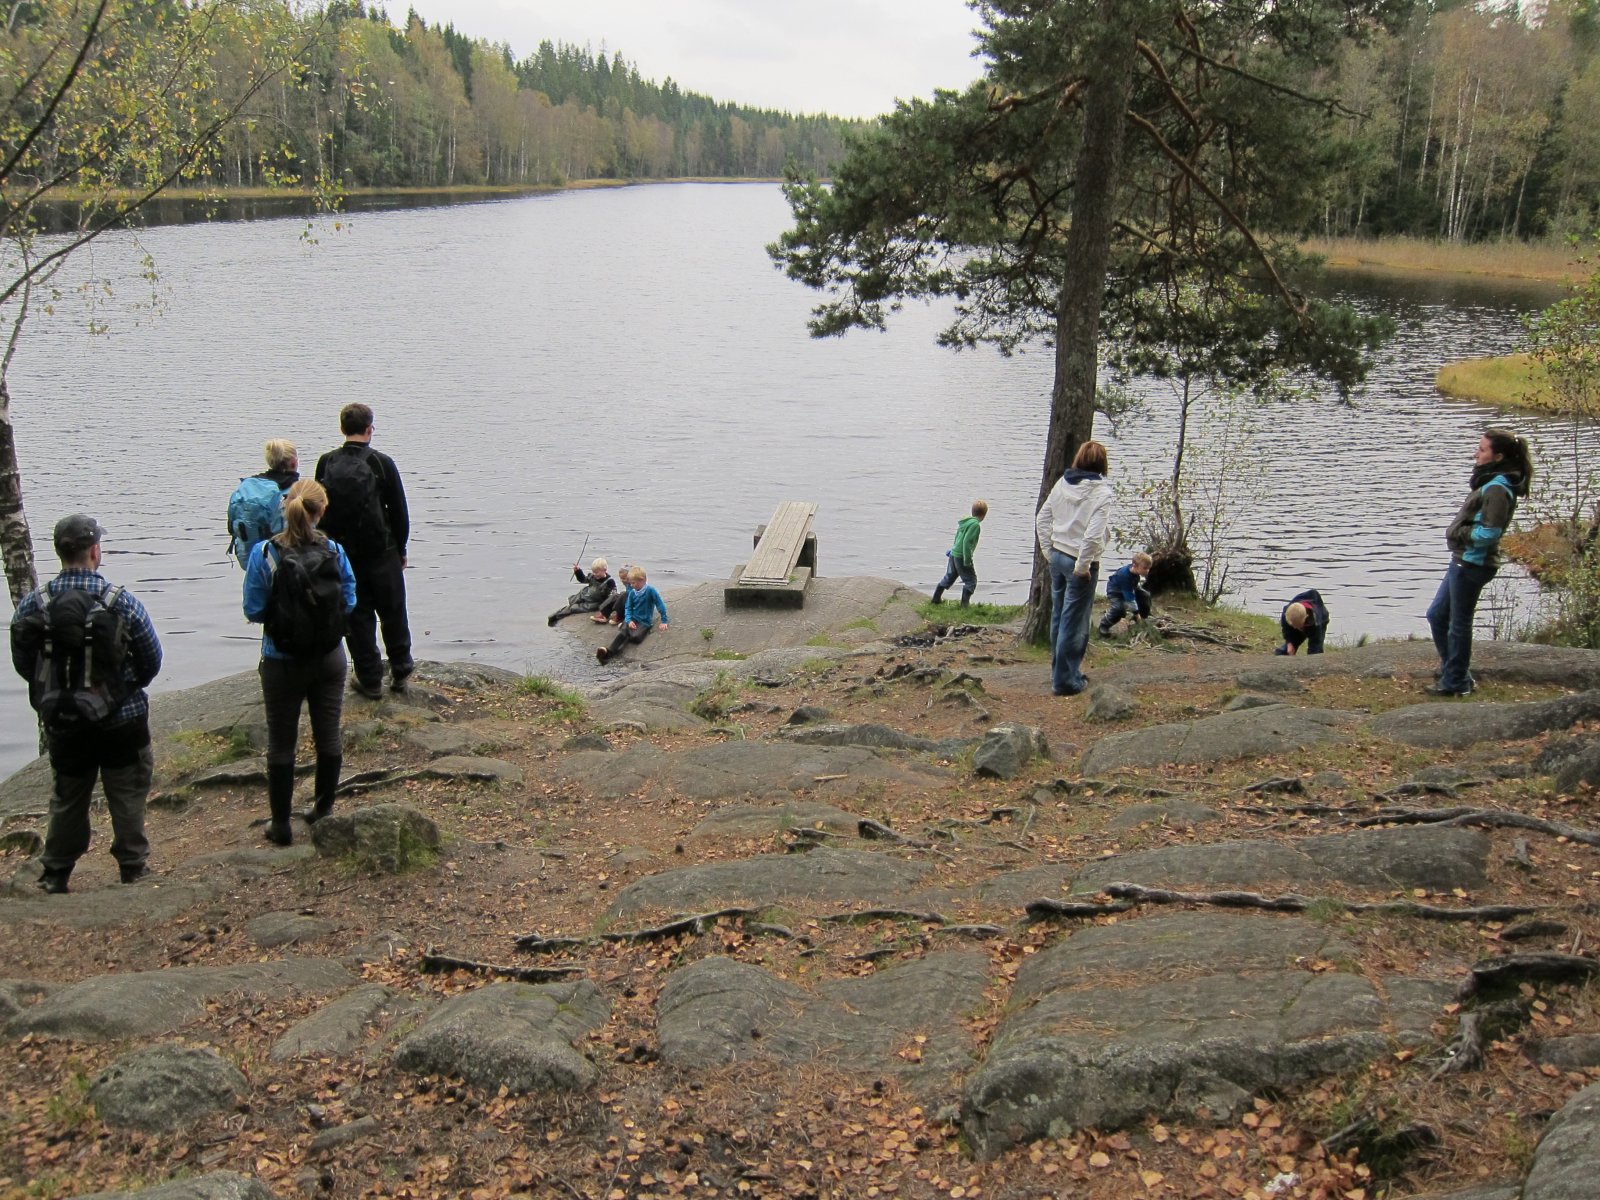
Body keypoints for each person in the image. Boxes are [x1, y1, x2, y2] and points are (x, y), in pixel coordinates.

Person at [9, 515, 163, 893]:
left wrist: (59, 694)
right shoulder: (121, 601)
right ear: (95, 551)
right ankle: (132, 866)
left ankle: (56, 871)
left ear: (60, 552)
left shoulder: (33, 604)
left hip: (64, 720)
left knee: (68, 793)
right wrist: (119, 692)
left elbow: (24, 662)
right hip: (121, 720)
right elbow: (151, 660)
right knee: (127, 790)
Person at [243, 481, 357, 845]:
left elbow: (253, 609)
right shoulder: (335, 550)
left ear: (286, 509)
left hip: (281, 660)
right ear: (321, 511)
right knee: (328, 734)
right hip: (329, 657)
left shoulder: (264, 554)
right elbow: (350, 599)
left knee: (281, 742)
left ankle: (280, 825)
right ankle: (323, 811)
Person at [314, 403, 413, 699]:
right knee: (393, 609)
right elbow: (399, 511)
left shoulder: (326, 462)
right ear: (370, 428)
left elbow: (319, 508)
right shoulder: (382, 463)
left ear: (342, 428)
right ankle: (400, 669)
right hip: (382, 551)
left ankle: (369, 677)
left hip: (343, 554)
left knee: (357, 614)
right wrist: (401, 548)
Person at [1425, 427, 1533, 697]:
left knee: (1458, 623)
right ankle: (1455, 671)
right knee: (1437, 615)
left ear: (1498, 457)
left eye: (1482, 449)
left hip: (1473, 564)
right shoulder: (1490, 480)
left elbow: (1491, 532)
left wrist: (1458, 533)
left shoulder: (1498, 488)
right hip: (1462, 560)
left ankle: (1456, 682)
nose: (1476, 454)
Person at [1035, 440, 1113, 697]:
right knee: (1075, 622)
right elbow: (1092, 536)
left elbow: (1042, 519)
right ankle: (1066, 681)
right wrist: (1082, 566)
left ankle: (1059, 672)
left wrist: (1049, 551)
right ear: (1102, 464)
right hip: (1080, 561)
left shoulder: (1063, 483)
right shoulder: (1101, 493)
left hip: (1058, 556)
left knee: (1059, 615)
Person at [226, 438, 299, 567]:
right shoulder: (291, 491)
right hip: (281, 561)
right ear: (293, 462)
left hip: (248, 557)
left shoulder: (248, 485)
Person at [597, 566, 668, 663]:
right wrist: (629, 620)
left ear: (642, 580)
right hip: (633, 618)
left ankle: (626, 632)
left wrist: (664, 620)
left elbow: (659, 604)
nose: (632, 585)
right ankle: (608, 652)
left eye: (633, 583)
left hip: (644, 621)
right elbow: (628, 607)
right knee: (623, 633)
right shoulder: (632, 593)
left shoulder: (650, 590)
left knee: (636, 637)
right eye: (630, 583)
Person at [930, 499, 988, 606]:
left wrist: (952, 549)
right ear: (984, 514)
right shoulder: (975, 525)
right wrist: (967, 559)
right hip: (962, 556)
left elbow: (958, 537)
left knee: (949, 577)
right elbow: (966, 542)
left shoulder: (965, 522)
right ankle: (964, 605)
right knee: (971, 580)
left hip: (954, 554)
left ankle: (935, 599)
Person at [549, 557, 618, 626]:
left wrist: (605, 610)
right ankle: (558, 614)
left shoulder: (610, 582)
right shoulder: (593, 576)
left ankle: (557, 616)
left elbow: (612, 598)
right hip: (587, 595)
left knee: (574, 608)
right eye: (593, 572)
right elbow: (583, 580)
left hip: (595, 602)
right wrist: (578, 571)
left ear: (604, 570)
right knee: (572, 600)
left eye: (596, 572)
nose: (594, 574)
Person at [1099, 551, 1153, 637]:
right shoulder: (1124, 576)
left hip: (1130, 588)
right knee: (1119, 609)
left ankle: (1142, 619)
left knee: (1145, 595)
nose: (1147, 571)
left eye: (1148, 568)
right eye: (1145, 568)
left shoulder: (1135, 572)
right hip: (1115, 592)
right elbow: (1129, 598)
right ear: (1135, 566)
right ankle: (1104, 625)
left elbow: (1133, 588)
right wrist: (1136, 612)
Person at [1275, 589, 1330, 655]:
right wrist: (1289, 642)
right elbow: (1286, 627)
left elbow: (1315, 644)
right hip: (1300, 620)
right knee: (1284, 651)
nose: (1295, 628)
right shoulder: (1287, 612)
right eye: (1293, 626)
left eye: (1298, 627)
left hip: (1320, 622)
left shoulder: (1316, 624)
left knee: (1315, 653)